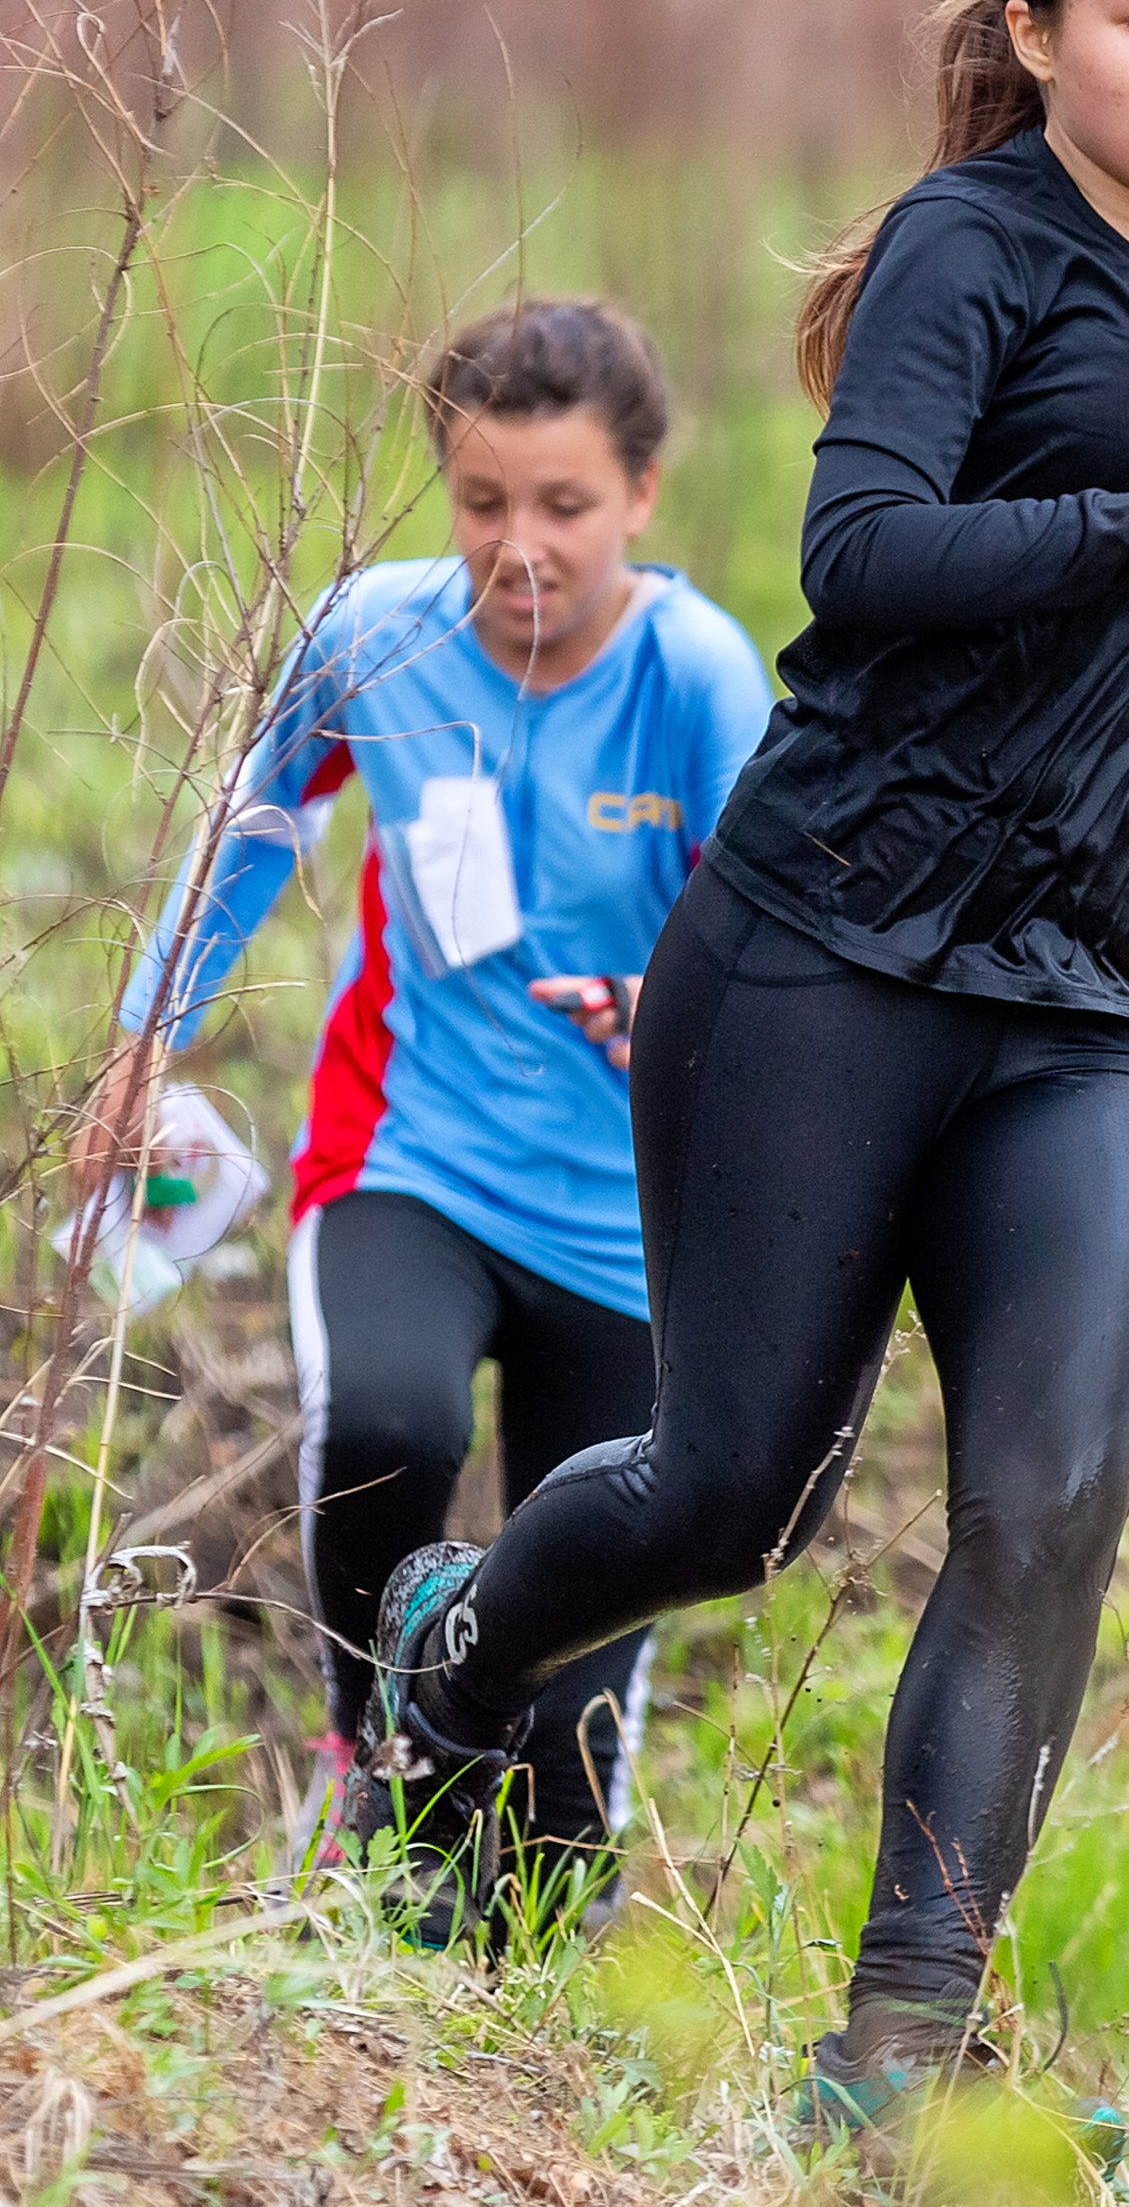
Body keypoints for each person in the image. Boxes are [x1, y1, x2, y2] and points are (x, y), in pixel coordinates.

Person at [342, 0, 1129, 2109]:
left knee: (1042, 1514)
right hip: (838, 946)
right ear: (1038, 33)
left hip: (1106, 988)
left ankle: (896, 2071)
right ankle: (452, 1654)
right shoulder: (971, 246)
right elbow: (871, 555)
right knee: (730, 1496)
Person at [78, 299, 773, 1905]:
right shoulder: (376, 635)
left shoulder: (696, 677)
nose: (518, 547)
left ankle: (510, 1879)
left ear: (642, 499)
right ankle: (362, 1760)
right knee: (390, 1420)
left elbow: (780, 946)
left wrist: (676, 1011)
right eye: (482, 502)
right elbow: (254, 827)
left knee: (553, 1782)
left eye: (565, 506)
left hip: (635, 1219)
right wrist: (144, 1036)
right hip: (412, 1151)